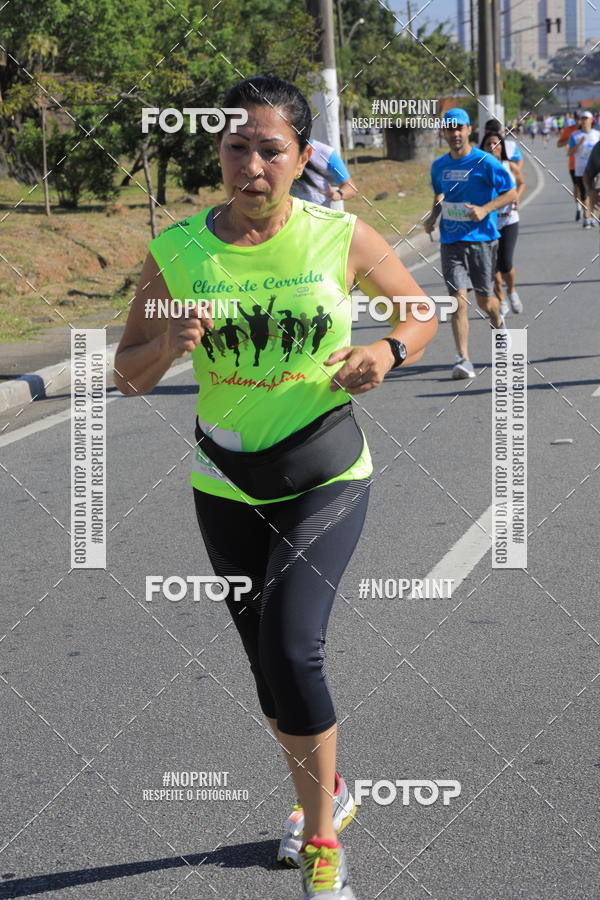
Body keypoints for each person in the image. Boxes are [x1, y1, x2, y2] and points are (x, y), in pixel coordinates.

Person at [114, 75, 437, 900]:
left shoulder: (341, 235)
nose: (251, 164)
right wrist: (171, 345)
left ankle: (322, 842)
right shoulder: (179, 251)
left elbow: (417, 309)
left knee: (295, 649)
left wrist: (388, 353)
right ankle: (325, 793)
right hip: (225, 481)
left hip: (323, 468)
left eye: (270, 149)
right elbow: (128, 374)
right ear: (216, 154)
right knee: (267, 669)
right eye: (235, 148)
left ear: (300, 158)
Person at [424, 107, 516, 380]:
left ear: (468, 130)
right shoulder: (439, 165)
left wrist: (485, 209)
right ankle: (463, 358)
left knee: (486, 301)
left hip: (482, 240)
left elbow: (509, 192)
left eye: (458, 128)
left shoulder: (485, 162)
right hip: (451, 240)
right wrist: (432, 217)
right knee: (458, 301)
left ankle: (499, 325)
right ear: (444, 132)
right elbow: (439, 194)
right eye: (449, 128)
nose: (454, 133)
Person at [480, 131, 526, 315]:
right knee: (492, 266)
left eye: (497, 144)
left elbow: (521, 183)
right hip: (487, 223)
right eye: (489, 144)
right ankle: (501, 300)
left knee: (505, 262)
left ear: (502, 148)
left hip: (508, 221)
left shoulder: (510, 166)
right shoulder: (478, 170)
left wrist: (517, 198)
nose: (493, 147)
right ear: (483, 148)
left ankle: (512, 290)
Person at [290, 137, 358, 208]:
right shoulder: (281, 148)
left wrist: (337, 194)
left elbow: (351, 188)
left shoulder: (325, 153)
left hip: (317, 213)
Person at [568, 111, 600, 228]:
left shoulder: (597, 134)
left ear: (591, 120)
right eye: (582, 119)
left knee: (593, 192)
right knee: (584, 194)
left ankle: (592, 216)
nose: (584, 121)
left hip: (595, 168)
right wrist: (580, 143)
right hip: (581, 169)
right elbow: (570, 152)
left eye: (586, 118)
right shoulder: (575, 135)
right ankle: (586, 217)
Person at [557, 111, 582, 221]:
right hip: (574, 164)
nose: (579, 121)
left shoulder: (591, 129)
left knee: (589, 187)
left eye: (581, 118)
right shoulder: (569, 130)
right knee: (577, 188)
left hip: (589, 163)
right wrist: (570, 140)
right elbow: (559, 144)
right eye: (577, 118)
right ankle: (579, 207)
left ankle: (589, 212)